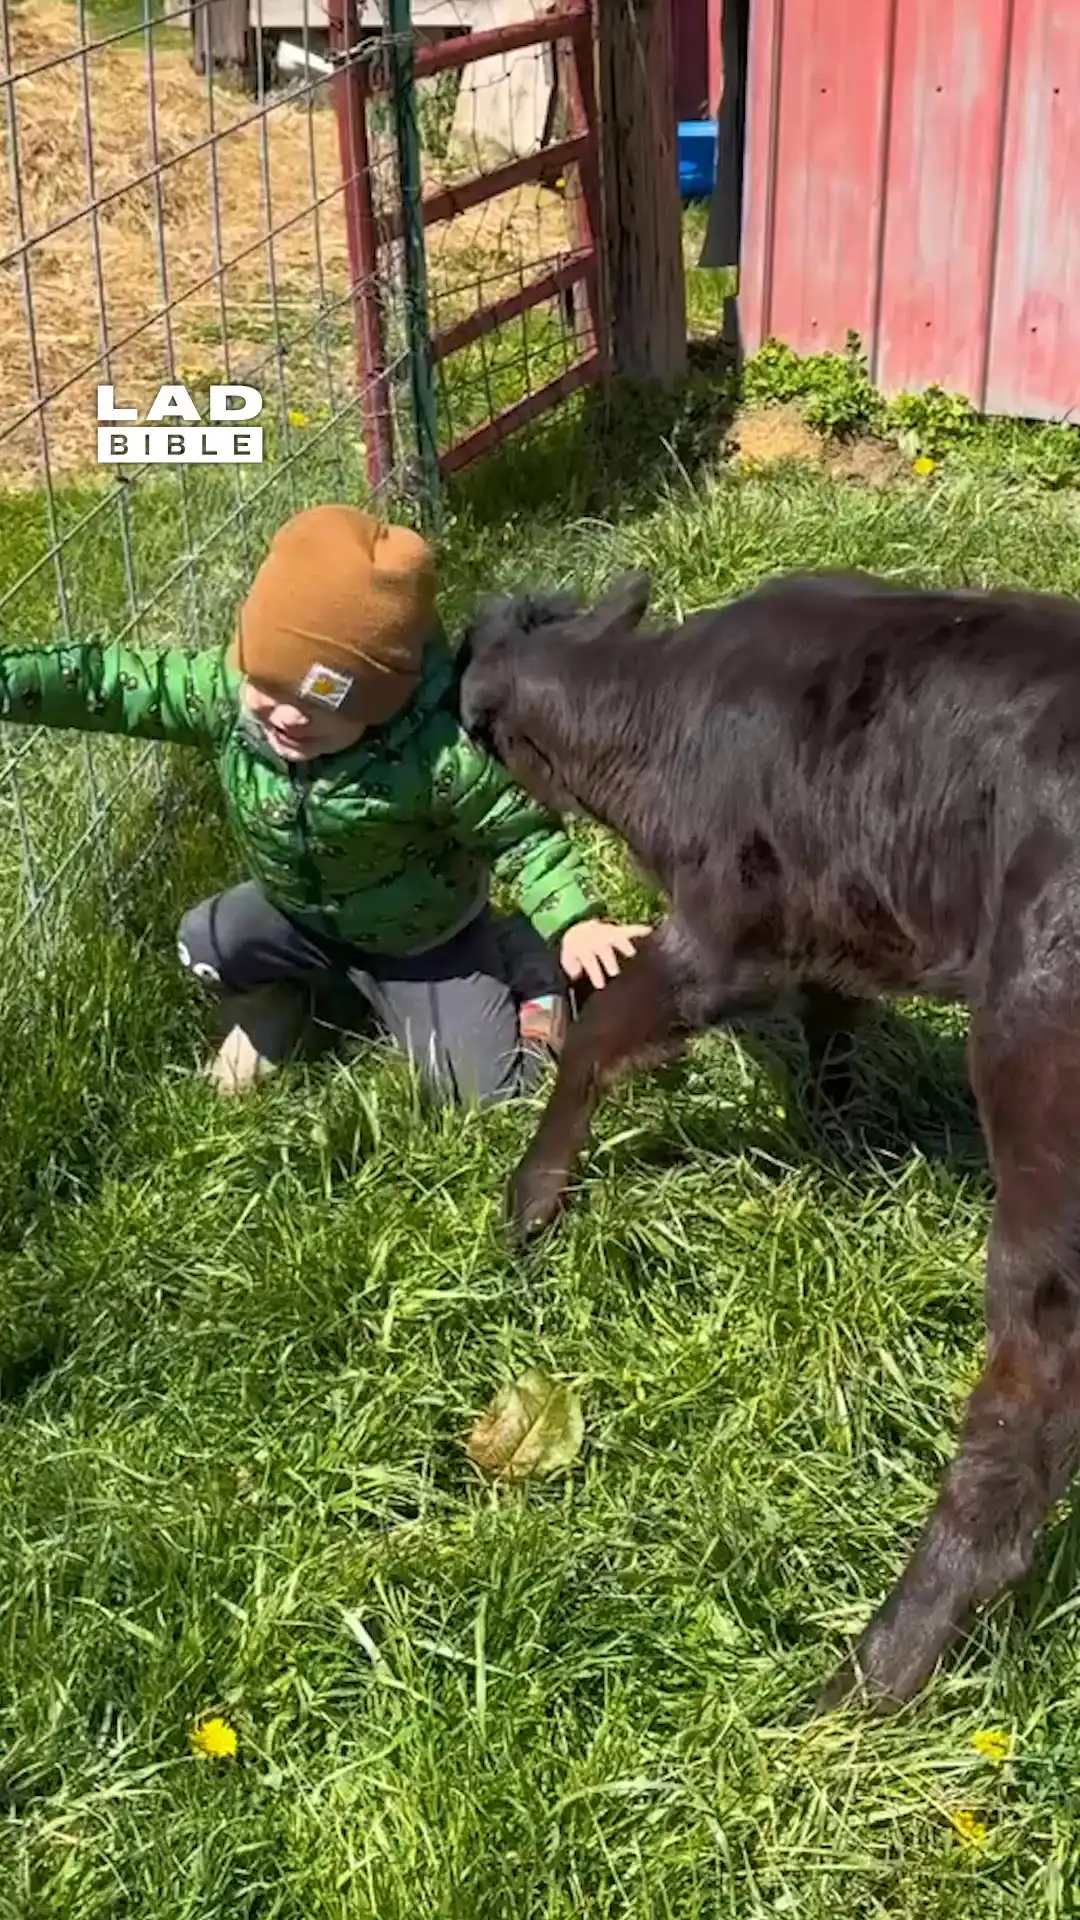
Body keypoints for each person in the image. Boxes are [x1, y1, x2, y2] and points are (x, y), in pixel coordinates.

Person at [0, 503, 646, 1102]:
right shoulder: (227, 699)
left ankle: (526, 965)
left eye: (323, 705)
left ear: (384, 701)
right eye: (268, 683)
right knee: (205, 942)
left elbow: (519, 834)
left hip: (423, 943)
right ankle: (302, 999)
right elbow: (107, 684)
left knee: (485, 1092)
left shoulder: (437, 754)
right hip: (303, 917)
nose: (286, 716)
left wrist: (574, 921)